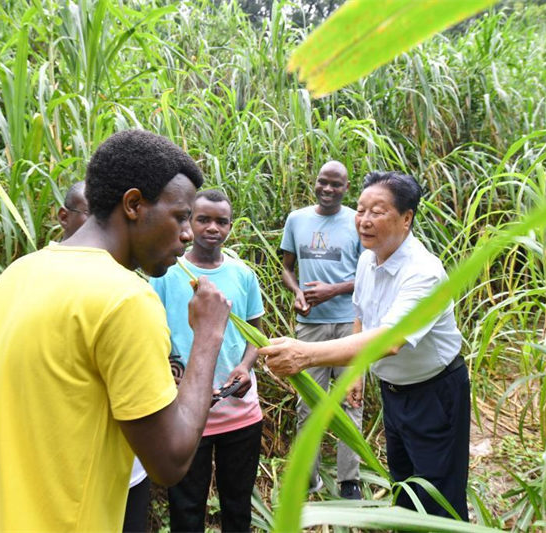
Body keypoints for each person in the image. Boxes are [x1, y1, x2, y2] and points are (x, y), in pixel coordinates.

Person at [0, 129, 231, 532]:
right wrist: (208, 336)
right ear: (134, 205)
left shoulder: (17, 275)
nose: (188, 234)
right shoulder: (125, 300)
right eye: (180, 216)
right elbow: (170, 462)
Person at [260, 171, 470, 520]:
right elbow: (361, 312)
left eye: (377, 211)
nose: (364, 220)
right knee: (404, 484)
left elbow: (390, 340)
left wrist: (305, 354)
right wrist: (356, 371)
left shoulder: (424, 272)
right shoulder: (367, 260)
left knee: (439, 492)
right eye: (360, 210)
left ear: (406, 218)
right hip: (394, 391)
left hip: (435, 394)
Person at [150, 189, 264, 532]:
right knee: (185, 509)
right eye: (203, 219)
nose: (213, 228)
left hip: (240, 413)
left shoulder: (243, 275)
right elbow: (151, 334)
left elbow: (256, 335)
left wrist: (245, 367)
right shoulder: (166, 274)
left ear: (230, 226)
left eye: (221, 221)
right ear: (189, 222)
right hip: (184, 414)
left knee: (238, 506)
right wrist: (172, 372)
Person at [279, 160, 364, 499]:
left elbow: (369, 275)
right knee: (308, 405)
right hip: (310, 327)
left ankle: (349, 480)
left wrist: (334, 290)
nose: (328, 189)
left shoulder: (357, 221)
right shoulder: (297, 219)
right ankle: (307, 477)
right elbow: (286, 268)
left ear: (346, 188)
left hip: (349, 325)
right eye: (322, 182)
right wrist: (297, 292)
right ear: (315, 182)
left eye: (336, 184)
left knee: (351, 401)